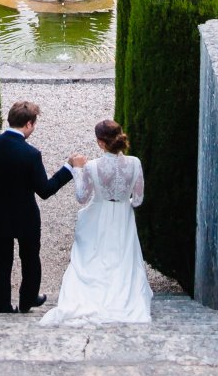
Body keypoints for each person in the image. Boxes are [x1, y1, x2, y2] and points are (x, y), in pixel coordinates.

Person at [0, 101, 85, 314]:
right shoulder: (31, 154)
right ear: (29, 124)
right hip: (25, 217)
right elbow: (45, 190)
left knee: (0, 261)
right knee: (30, 258)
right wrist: (69, 168)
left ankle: (2, 306)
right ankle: (28, 299)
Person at [42, 120, 153, 327]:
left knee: (93, 258)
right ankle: (122, 298)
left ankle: (94, 298)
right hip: (123, 217)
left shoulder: (92, 166)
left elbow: (82, 197)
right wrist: (122, 203)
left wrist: (77, 170)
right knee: (121, 258)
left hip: (98, 216)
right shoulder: (135, 163)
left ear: (101, 143)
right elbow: (138, 200)